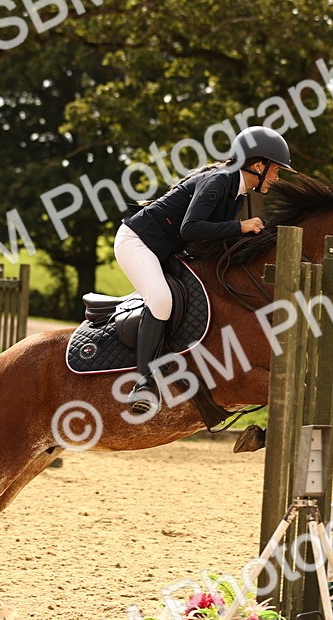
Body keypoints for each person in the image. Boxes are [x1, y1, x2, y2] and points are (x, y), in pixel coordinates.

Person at [113, 125, 292, 413]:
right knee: (161, 300)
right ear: (258, 165)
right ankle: (142, 384)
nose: (277, 177)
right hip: (137, 242)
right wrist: (241, 226)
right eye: (276, 170)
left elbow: (210, 235)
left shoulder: (237, 192)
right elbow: (191, 228)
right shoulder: (220, 181)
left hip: (166, 248)